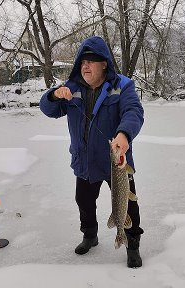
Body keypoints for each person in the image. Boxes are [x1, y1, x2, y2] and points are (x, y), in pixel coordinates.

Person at [39, 36, 144, 268]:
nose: (85, 66)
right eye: (83, 61)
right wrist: (54, 95)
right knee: (84, 201)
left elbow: (133, 112)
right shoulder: (71, 87)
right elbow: (48, 109)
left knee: (129, 204)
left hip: (117, 160)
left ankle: (132, 244)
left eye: (91, 61)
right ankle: (90, 235)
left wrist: (124, 134)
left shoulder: (123, 86)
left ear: (104, 63)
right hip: (84, 160)